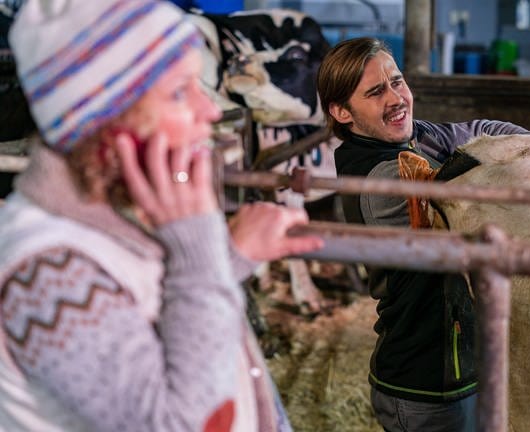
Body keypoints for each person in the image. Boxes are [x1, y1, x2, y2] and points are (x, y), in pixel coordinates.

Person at [0, 0, 323, 431]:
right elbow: (177, 423)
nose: (209, 110)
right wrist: (199, 245)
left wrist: (232, 255)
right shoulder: (48, 274)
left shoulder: (115, 207)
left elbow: (150, 314)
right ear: (105, 122)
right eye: (178, 92)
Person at [316, 37, 530, 431]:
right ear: (342, 112)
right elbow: (469, 222)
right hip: (424, 387)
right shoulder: (379, 180)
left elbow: (484, 130)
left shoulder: (418, 136)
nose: (396, 98)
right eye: (376, 92)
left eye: (397, 81)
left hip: (463, 372)